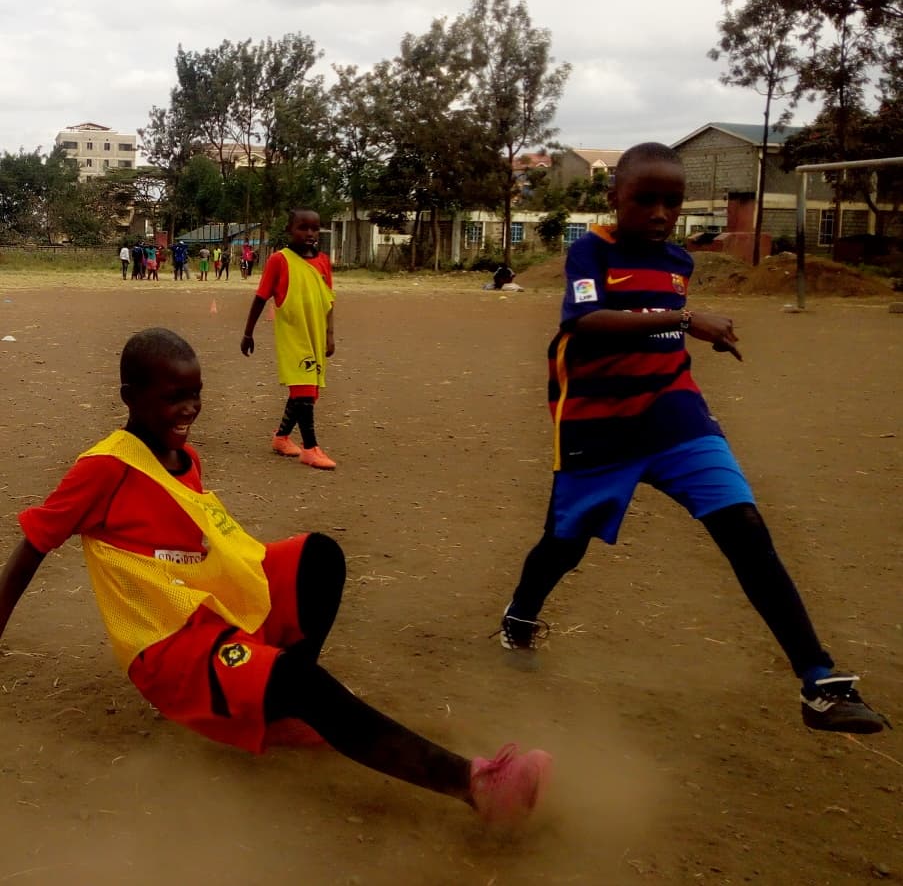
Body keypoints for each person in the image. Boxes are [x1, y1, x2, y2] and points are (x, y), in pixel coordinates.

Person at [0, 327, 551, 825]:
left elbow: (189, 548)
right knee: (303, 683)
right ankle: (477, 787)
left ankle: (272, 704)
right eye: (173, 397)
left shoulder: (183, 459)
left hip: (205, 612)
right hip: (168, 649)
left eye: (195, 393)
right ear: (130, 397)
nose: (189, 408)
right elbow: (34, 545)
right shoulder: (104, 468)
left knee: (320, 558)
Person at [495, 142, 888, 735]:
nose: (659, 212)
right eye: (644, 199)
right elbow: (584, 324)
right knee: (564, 544)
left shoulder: (679, 261)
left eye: (671, 202)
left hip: (677, 415)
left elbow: (661, 327)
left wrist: (689, 333)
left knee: (746, 530)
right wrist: (685, 320)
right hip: (598, 428)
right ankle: (520, 614)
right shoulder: (589, 252)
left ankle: (819, 681)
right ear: (614, 199)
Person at [241, 209, 337, 470]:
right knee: (304, 390)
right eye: (302, 228)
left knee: (308, 393)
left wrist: (330, 335)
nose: (309, 234)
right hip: (293, 336)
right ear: (289, 230)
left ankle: (281, 438)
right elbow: (260, 298)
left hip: (315, 334)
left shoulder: (323, 262)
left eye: (315, 229)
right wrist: (248, 333)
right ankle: (310, 448)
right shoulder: (279, 260)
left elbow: (328, 301)